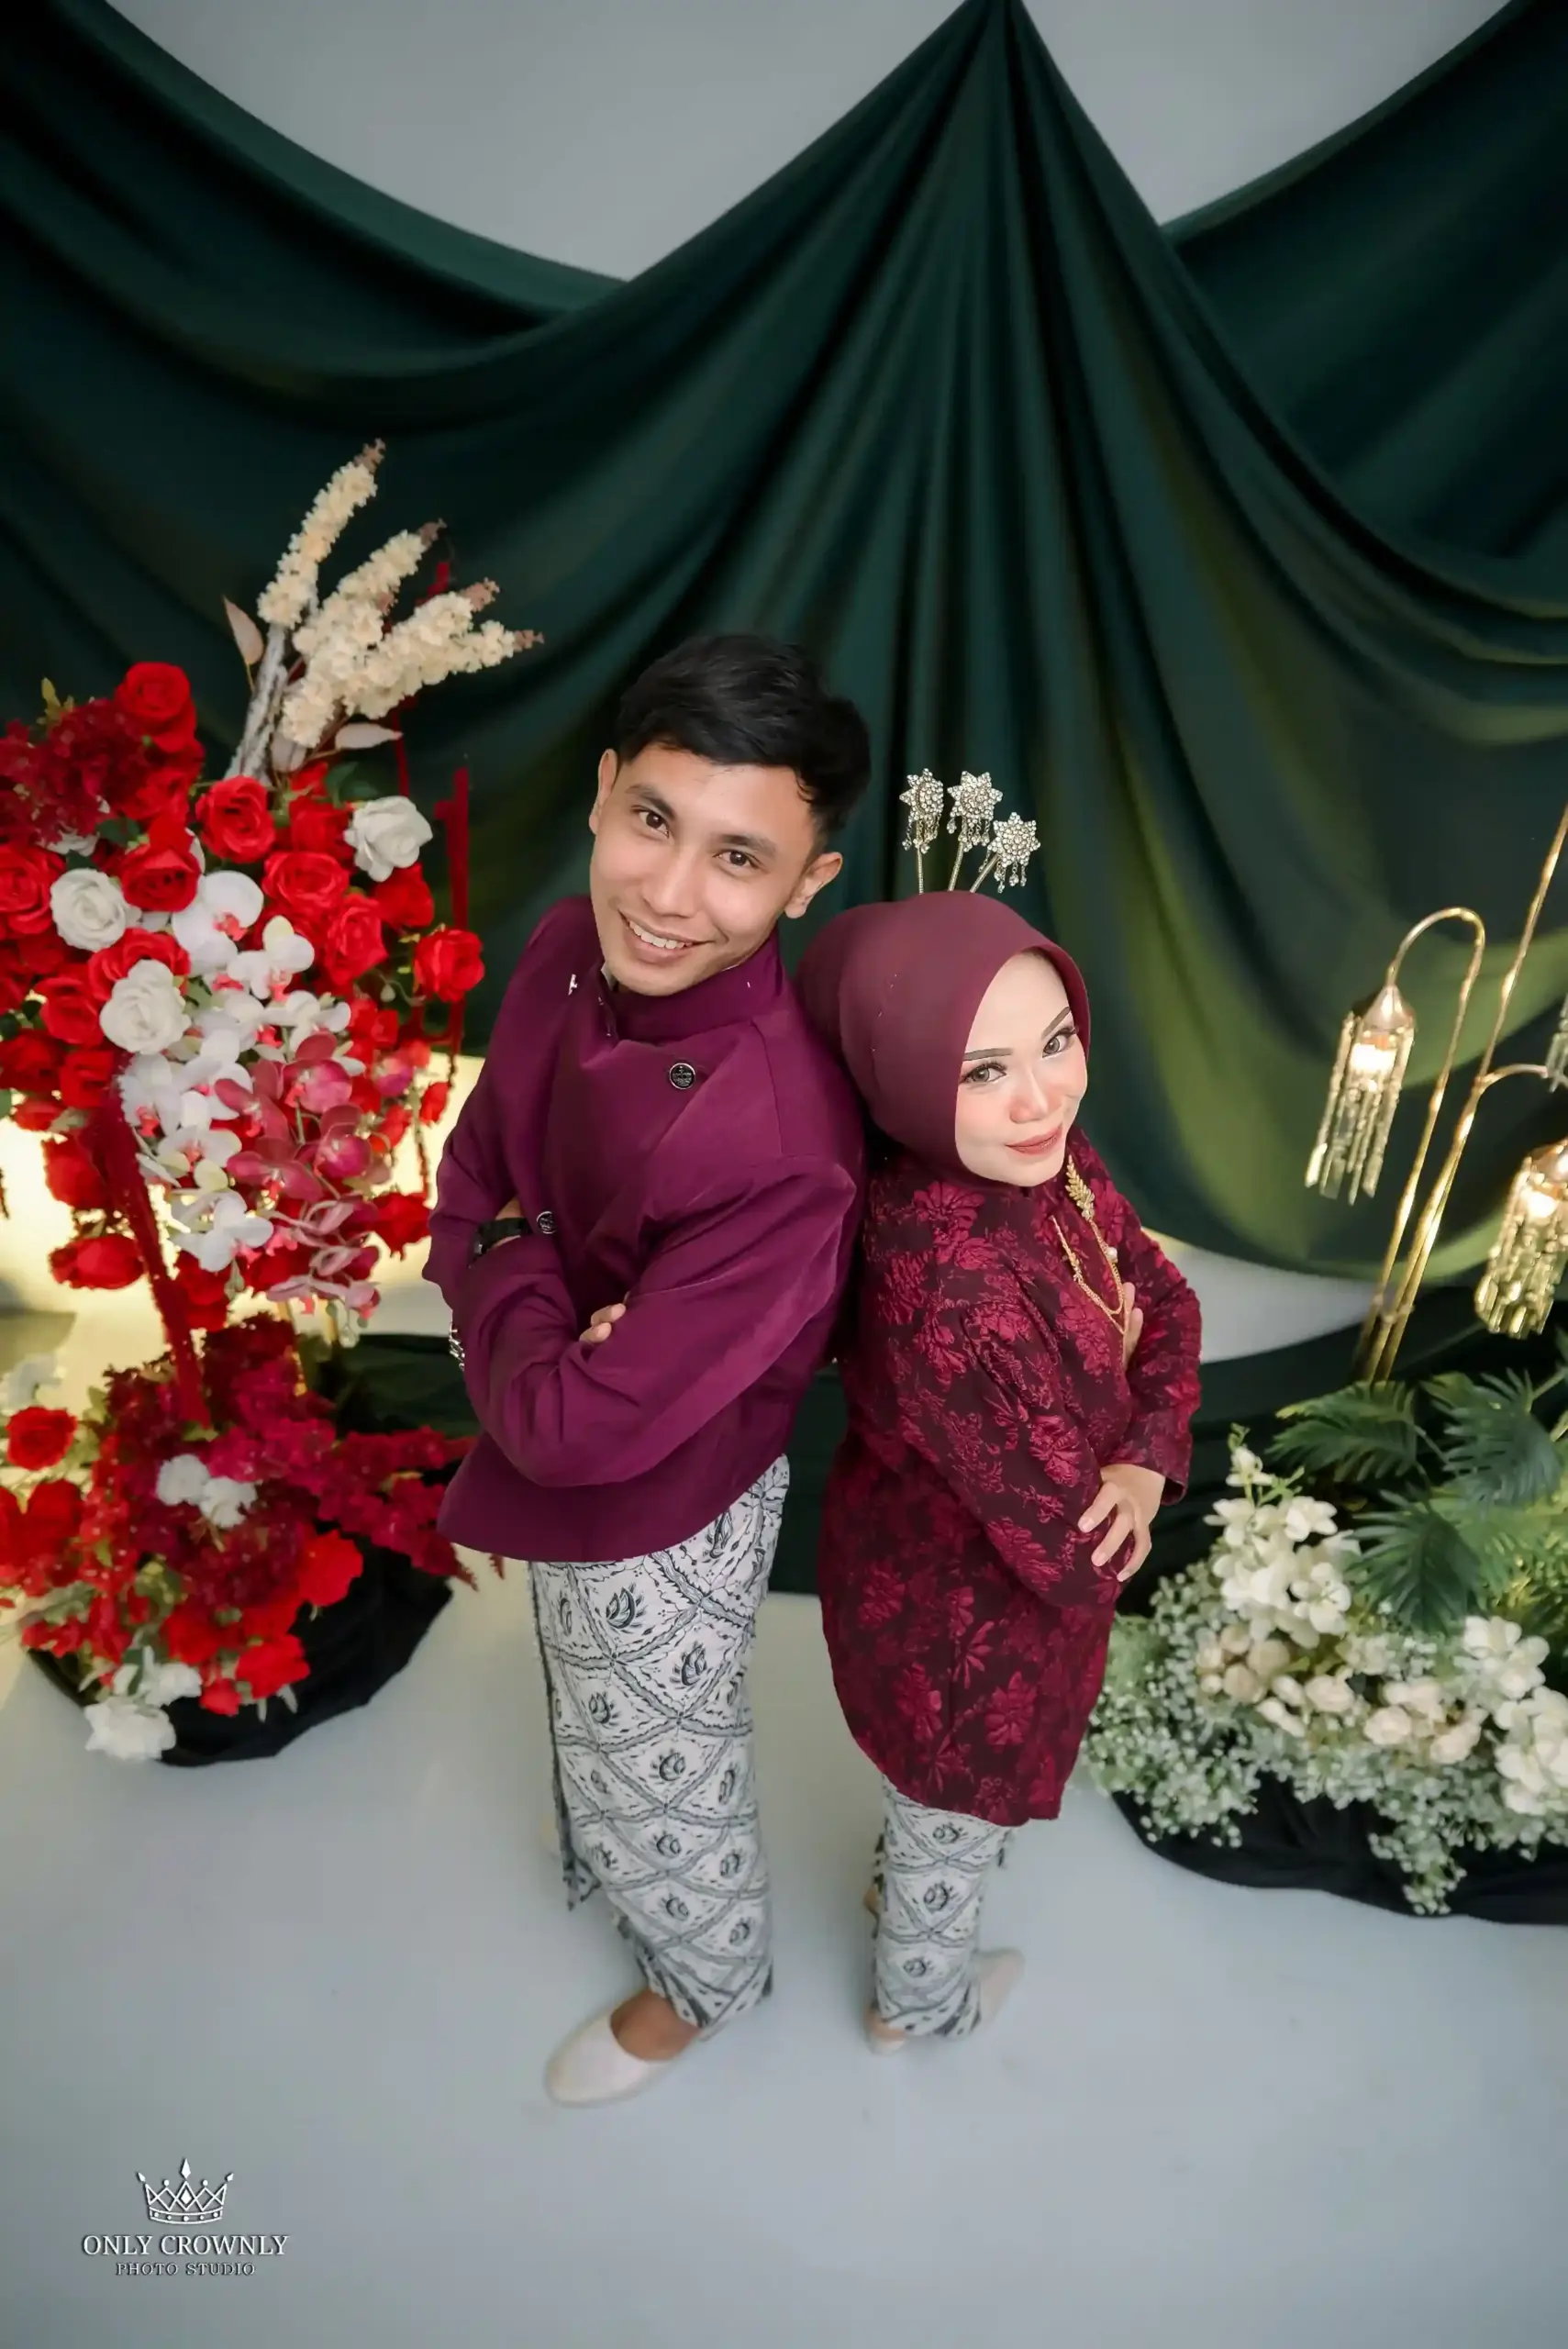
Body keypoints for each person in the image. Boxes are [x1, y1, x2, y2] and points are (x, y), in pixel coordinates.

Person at [425, 633, 871, 2106]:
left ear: (807, 882)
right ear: (606, 788)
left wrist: (509, 1270)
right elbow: (466, 1178)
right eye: (652, 821)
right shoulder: (565, 944)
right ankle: (614, 1869)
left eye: (738, 858)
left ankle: (705, 1982)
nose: (668, 894)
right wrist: (534, 1297)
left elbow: (572, 1427)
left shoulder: (783, 1140)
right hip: (576, 1422)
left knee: (663, 1772)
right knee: (588, 1722)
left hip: (666, 1506)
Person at [794, 888, 1202, 2052]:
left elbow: (1165, 1297)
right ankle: (916, 2008)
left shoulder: (1036, 1153)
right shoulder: (951, 1286)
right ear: (898, 1075)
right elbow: (1078, 1560)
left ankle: (898, 1891)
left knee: (931, 1821)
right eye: (980, 1069)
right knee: (950, 1821)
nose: (1041, 1096)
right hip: (960, 1624)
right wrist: (1129, 1393)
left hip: (961, 1575)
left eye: (1055, 1041)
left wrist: (1136, 1453)